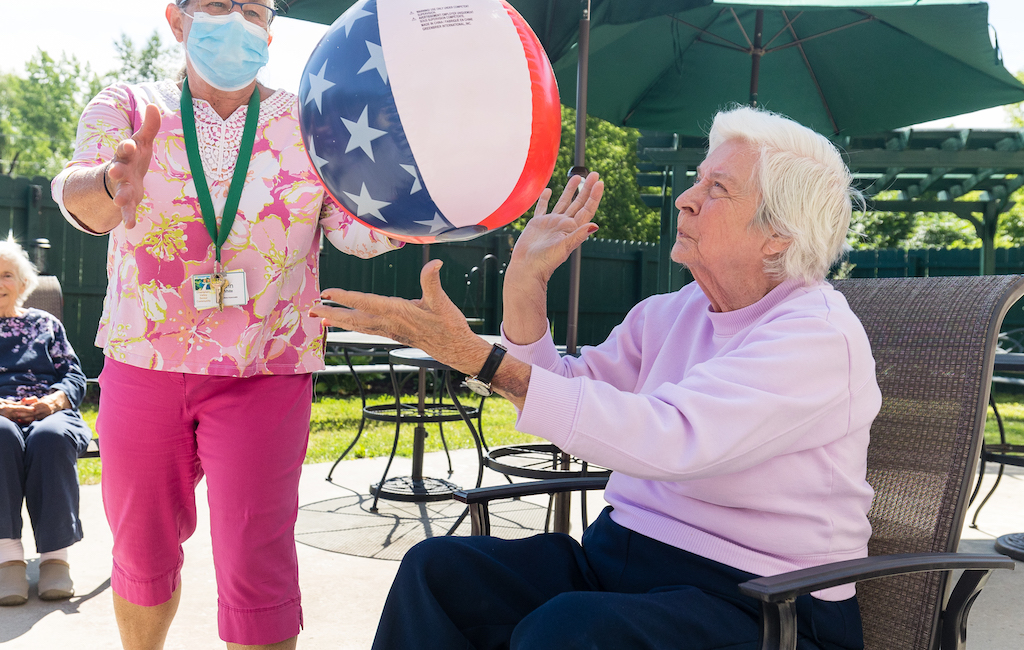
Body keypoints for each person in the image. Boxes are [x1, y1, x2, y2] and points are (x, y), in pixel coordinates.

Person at [311, 105, 880, 650]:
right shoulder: (672, 311)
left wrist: (478, 358)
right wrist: (524, 286)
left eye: (717, 189)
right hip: (621, 559)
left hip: (762, 604)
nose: (685, 199)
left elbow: (670, 439)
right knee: (438, 574)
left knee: (569, 632)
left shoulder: (815, 337)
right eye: (697, 181)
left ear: (778, 233)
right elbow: (567, 397)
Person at [51, 0, 400, 647]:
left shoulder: (312, 122)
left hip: (266, 370)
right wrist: (109, 182)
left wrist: (430, 196)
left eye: (255, 9)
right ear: (176, 20)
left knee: (257, 565)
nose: (237, 19)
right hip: (145, 362)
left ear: (271, 31)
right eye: (217, 3)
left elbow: (359, 231)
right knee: (143, 554)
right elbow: (80, 194)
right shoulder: (126, 105)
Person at [0, 236, 89, 606]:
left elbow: (73, 375)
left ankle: (56, 558)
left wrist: (52, 402)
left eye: (6, 274)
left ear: (23, 284)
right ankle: (8, 557)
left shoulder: (45, 324)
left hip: (51, 413)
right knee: (1, 434)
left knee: (50, 437)